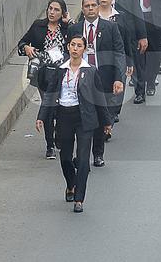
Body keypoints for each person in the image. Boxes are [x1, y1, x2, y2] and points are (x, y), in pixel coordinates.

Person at [35, 36, 113, 212]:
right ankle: (71, 184)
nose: (75, 49)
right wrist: (41, 116)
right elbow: (50, 94)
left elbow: (99, 98)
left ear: (84, 49)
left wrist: (106, 122)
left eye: (79, 46)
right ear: (68, 48)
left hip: (84, 117)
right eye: (72, 45)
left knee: (84, 158)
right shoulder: (60, 69)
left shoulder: (91, 71)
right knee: (66, 158)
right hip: (64, 115)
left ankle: (79, 198)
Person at [67, 0, 125, 167]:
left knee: (100, 117)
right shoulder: (74, 29)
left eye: (93, 5)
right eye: (87, 6)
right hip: (80, 78)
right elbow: (67, 52)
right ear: (82, 9)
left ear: (99, 8)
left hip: (103, 78)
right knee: (81, 116)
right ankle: (81, 155)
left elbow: (119, 53)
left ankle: (98, 153)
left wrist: (118, 78)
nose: (90, 8)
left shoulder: (110, 27)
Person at [18, 0, 69, 159]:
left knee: (60, 108)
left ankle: (59, 135)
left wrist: (68, 25)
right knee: (48, 106)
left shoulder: (68, 28)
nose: (52, 12)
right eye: (50, 9)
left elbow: (77, 43)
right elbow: (22, 43)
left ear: (62, 13)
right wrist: (26, 48)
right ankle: (50, 145)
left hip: (63, 73)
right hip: (43, 74)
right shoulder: (38, 26)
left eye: (56, 10)